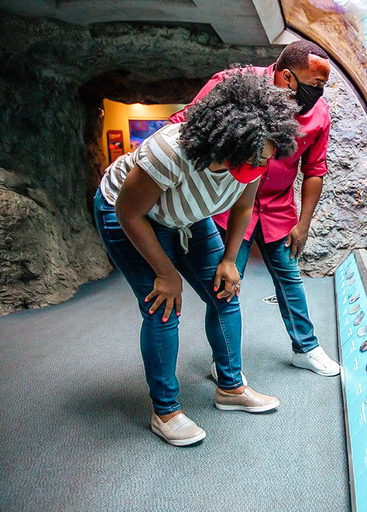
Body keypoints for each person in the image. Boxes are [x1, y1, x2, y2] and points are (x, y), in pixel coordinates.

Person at [94, 74, 302, 446]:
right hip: (127, 212)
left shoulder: (255, 154)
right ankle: (166, 411)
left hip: (185, 216)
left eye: (266, 159)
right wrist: (165, 272)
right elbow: (129, 212)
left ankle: (231, 388)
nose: (260, 166)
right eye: (256, 158)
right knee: (163, 304)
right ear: (226, 141)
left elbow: (243, 205)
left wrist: (229, 258)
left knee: (225, 291)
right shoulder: (171, 152)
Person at [170, 41, 341, 378]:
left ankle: (306, 348)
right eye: (316, 84)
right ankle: (226, 364)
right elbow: (182, 124)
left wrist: (304, 223)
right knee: (226, 286)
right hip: (228, 207)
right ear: (289, 78)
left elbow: (315, 170)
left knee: (291, 279)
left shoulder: (318, 116)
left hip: (278, 209)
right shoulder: (234, 85)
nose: (320, 93)